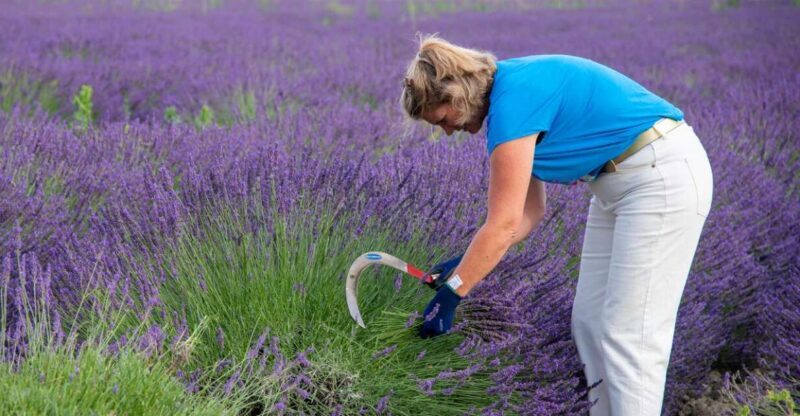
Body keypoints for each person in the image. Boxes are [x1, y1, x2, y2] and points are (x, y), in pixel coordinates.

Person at [399, 34, 713, 416]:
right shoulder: (508, 97)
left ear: (455, 95)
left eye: (443, 120)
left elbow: (503, 224)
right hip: (617, 185)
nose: (447, 131)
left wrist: (453, 293)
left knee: (631, 334)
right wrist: (462, 264)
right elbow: (529, 212)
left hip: (660, 177)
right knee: (589, 322)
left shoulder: (513, 105)